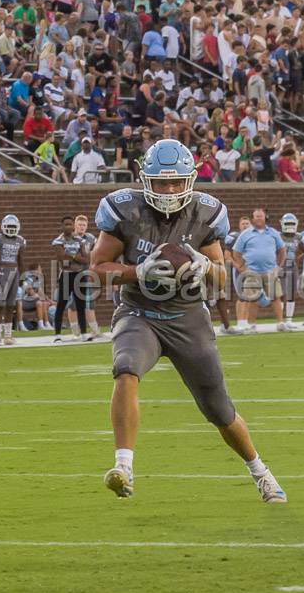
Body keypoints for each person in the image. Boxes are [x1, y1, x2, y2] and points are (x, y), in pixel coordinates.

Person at [90, 139, 285, 503]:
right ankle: (124, 466)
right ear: (145, 180)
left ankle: (260, 470)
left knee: (219, 409)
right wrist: (138, 271)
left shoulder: (206, 213)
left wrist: (205, 266)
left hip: (187, 316)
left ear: (190, 180)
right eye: (161, 183)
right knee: (126, 368)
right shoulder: (123, 210)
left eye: (176, 182)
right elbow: (97, 269)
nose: (168, 190)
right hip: (139, 312)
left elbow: (222, 278)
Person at [232, 209, 286, 334]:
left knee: (276, 297)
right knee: (252, 298)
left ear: (265, 217)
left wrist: (279, 266)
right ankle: (252, 324)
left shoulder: (273, 233)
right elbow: (236, 252)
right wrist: (242, 268)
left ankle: (280, 323)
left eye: (260, 216)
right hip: (252, 271)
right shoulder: (245, 234)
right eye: (256, 217)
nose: (259, 219)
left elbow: (282, 250)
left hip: (270, 270)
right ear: (252, 219)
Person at [0, 214, 26, 347]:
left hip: (14, 272)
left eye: (13, 227)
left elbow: (20, 260)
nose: (10, 229)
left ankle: (8, 335)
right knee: (0, 305)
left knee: (11, 305)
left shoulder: (20, 240)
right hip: (2, 272)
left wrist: (23, 276)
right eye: (8, 226)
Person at [52, 215, 89, 342]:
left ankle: (84, 333)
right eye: (66, 224)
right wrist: (76, 256)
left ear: (74, 226)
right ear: (62, 227)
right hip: (66, 275)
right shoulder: (58, 241)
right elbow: (63, 260)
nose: (68, 226)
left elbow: (86, 260)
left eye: (70, 224)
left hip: (79, 275)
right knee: (61, 305)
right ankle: (57, 334)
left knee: (80, 304)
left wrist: (71, 255)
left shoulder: (79, 240)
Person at [73, 214, 103, 339]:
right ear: (75, 225)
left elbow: (96, 253)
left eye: (84, 225)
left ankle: (95, 330)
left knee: (89, 301)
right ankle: (75, 330)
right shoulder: (70, 238)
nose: (82, 227)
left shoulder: (90, 238)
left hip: (86, 273)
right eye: (79, 225)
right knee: (73, 304)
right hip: (73, 273)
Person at [278, 213, 303, 329]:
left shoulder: (298, 237)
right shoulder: (278, 236)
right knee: (281, 293)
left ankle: (289, 319)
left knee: (291, 293)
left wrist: (300, 257)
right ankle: (281, 320)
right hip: (281, 265)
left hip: (292, 266)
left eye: (291, 223)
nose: (289, 226)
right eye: (287, 223)